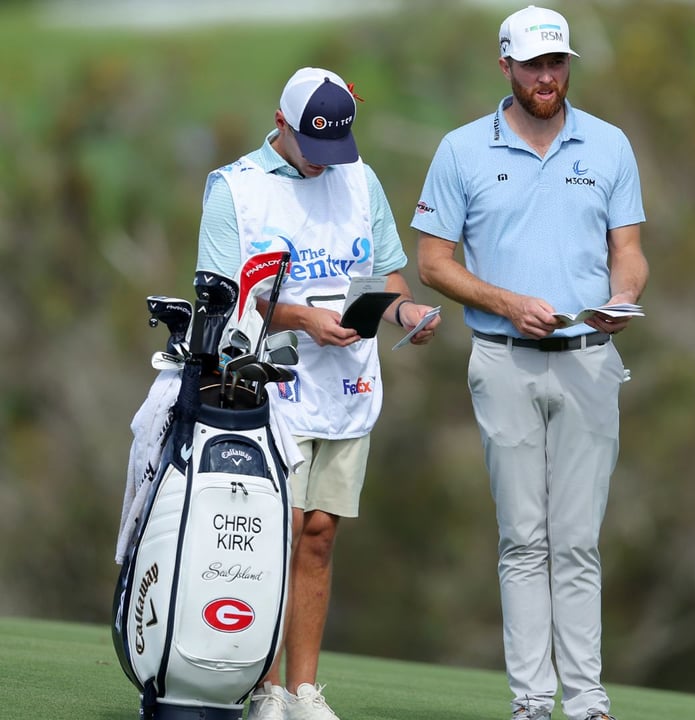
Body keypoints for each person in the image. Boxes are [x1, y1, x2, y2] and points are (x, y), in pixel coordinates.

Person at [411, 6, 648, 720]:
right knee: (522, 539)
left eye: (558, 63)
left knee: (577, 541)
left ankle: (586, 701)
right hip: (503, 358)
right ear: (506, 65)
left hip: (588, 358)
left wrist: (623, 295)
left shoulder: (608, 146)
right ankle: (531, 703)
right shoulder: (460, 151)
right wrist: (507, 302)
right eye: (535, 65)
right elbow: (431, 263)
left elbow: (628, 250)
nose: (548, 78)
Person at [196, 66, 440, 720]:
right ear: (282, 124)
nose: (324, 164)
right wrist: (302, 317)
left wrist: (405, 314)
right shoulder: (235, 191)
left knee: (321, 532)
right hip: (265, 385)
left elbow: (383, 273)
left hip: (345, 384)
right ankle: (262, 688)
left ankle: (304, 692)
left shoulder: (358, 177)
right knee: (274, 533)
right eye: (313, 147)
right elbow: (222, 304)